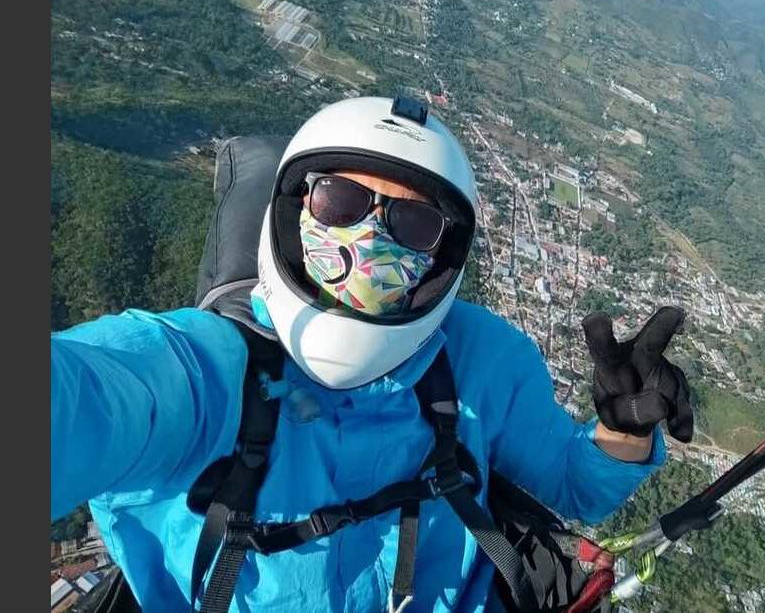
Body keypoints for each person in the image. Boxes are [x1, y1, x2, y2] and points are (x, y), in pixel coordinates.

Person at [51, 96, 693, 612]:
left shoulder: (480, 360)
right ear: (295, 208)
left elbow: (576, 486)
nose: (369, 237)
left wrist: (624, 429)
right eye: (340, 201)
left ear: (440, 260)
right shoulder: (201, 370)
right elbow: (80, 400)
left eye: (412, 224)